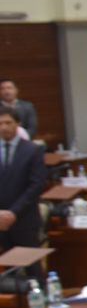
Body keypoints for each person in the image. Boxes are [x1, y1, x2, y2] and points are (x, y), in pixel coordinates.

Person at [0, 105, 47, 254]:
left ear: (18, 124)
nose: (4, 127)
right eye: (0, 123)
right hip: (0, 219)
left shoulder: (33, 150)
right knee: (7, 273)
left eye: (8, 123)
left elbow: (37, 184)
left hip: (24, 218)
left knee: (33, 270)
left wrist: (13, 213)